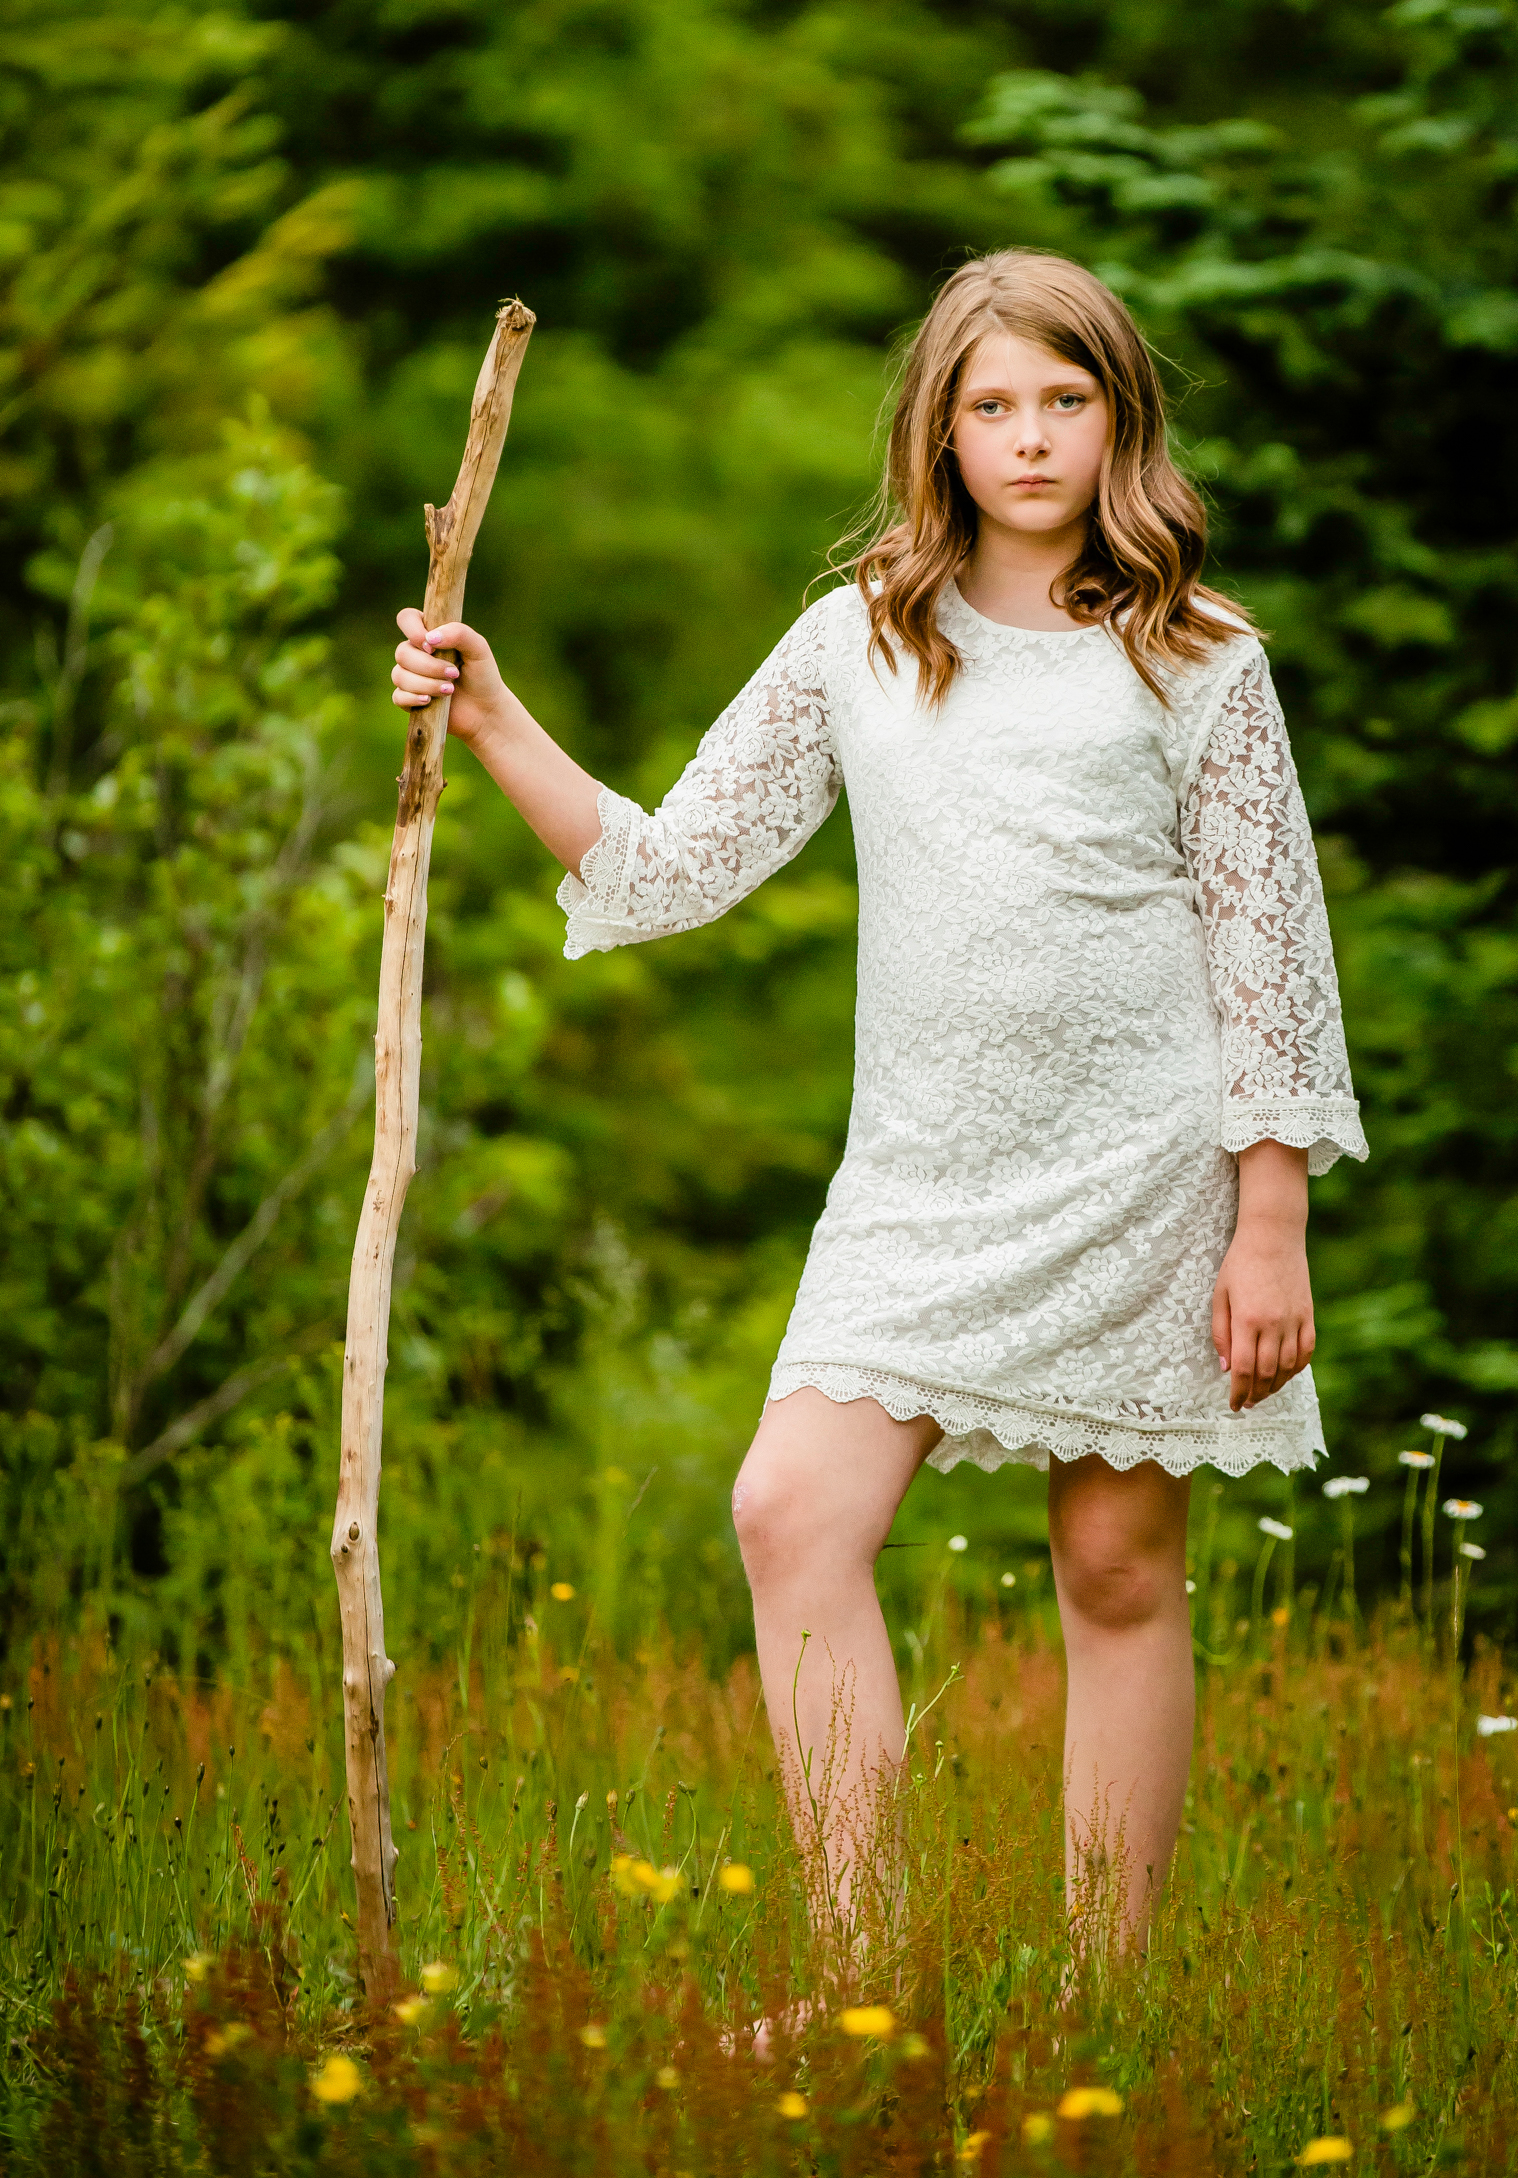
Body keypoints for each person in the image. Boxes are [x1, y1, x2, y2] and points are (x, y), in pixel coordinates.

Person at [389, 249, 1364, 1947]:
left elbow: (1269, 952)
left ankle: (1106, 2003)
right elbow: (680, 860)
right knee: (790, 1510)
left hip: (1145, 1167)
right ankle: (867, 1970)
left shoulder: (1199, 658)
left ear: (1120, 420)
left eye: (1067, 401)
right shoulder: (859, 642)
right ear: (942, 431)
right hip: (921, 1176)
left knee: (1121, 1571)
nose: (1033, 438)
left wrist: (1268, 1221)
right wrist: (492, 719)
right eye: (995, 406)